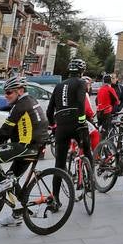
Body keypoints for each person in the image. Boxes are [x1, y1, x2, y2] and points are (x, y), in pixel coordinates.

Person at [0, 76, 50, 225]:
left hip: (26, 146)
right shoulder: (30, 100)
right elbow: (18, 127)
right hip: (35, 146)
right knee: (13, 177)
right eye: (4, 92)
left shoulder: (20, 106)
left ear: (20, 91)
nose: (5, 96)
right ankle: (18, 213)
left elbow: (5, 130)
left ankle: (4, 182)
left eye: (9, 93)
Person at [48, 58, 93, 195]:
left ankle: (55, 198)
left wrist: (53, 126)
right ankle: (91, 182)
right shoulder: (81, 83)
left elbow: (49, 111)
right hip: (76, 124)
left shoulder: (59, 85)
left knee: (59, 164)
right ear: (82, 72)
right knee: (87, 150)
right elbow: (80, 103)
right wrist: (81, 120)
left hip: (61, 126)